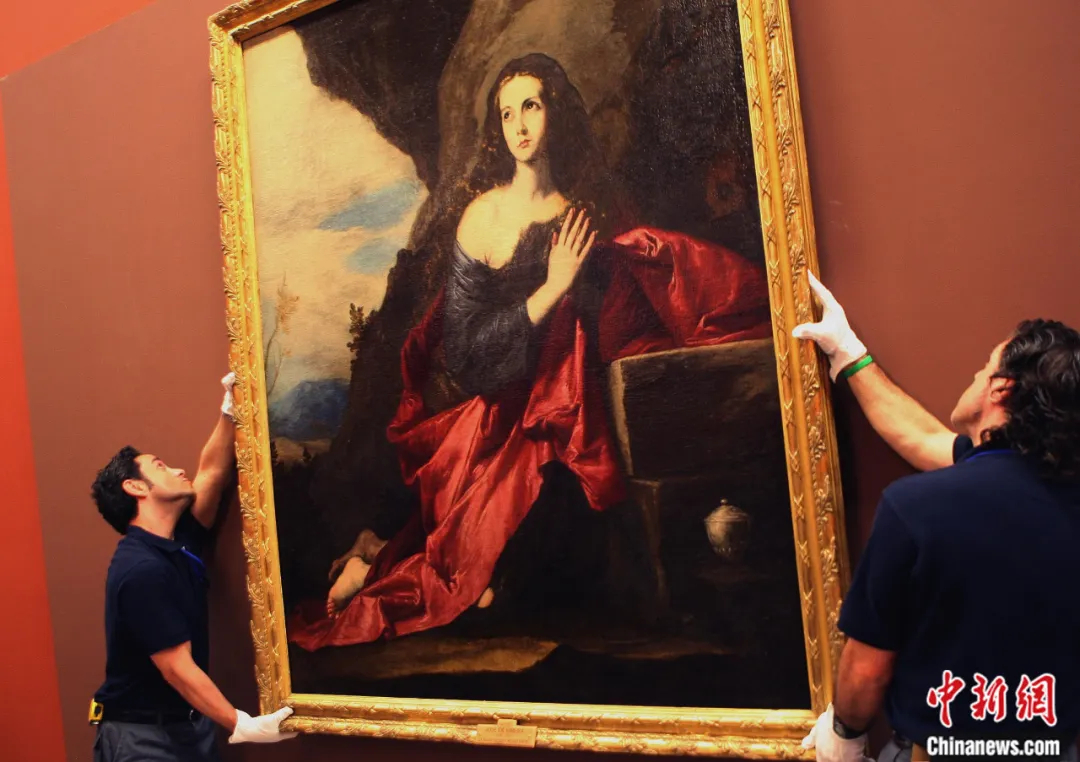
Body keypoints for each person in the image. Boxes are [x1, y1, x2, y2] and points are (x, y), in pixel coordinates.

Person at [288, 52, 773, 650]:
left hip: (569, 420)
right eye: (507, 113)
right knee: (478, 588)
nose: (519, 125)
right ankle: (375, 568)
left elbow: (618, 322)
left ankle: (395, 561)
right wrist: (550, 290)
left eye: (531, 107)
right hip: (493, 425)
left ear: (555, 113)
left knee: (525, 583)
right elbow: (464, 353)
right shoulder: (484, 216)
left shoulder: (587, 214)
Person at [794, 274, 1080, 761]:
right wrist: (849, 354)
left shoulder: (914, 508)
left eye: (983, 368)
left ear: (1001, 389)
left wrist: (844, 734)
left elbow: (867, 670)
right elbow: (922, 438)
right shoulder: (1062, 493)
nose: (975, 375)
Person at [89, 373, 296, 761]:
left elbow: (212, 471)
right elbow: (176, 668)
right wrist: (240, 724)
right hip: (142, 737)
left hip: (188, 725)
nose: (176, 470)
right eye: (160, 466)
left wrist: (229, 410)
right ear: (136, 487)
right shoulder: (140, 569)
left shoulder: (178, 539)